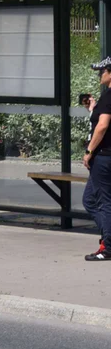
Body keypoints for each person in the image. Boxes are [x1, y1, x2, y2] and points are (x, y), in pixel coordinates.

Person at [82, 57, 111, 262]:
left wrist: (90, 151)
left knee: (103, 203)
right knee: (90, 200)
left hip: (103, 157)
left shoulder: (110, 96)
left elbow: (102, 126)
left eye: (102, 71)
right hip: (104, 156)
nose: (100, 75)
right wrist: (93, 109)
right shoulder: (106, 97)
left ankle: (108, 247)